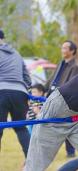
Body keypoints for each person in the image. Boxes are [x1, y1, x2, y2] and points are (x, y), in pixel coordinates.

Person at [46, 40, 78, 158]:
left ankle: (70, 152)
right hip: (51, 96)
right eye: (62, 48)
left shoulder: (75, 67)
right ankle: (49, 150)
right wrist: (42, 89)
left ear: (72, 51)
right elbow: (51, 80)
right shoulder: (60, 64)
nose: (63, 50)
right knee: (50, 125)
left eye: (65, 48)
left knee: (65, 125)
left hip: (63, 99)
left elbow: (72, 84)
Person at [0, 29, 31, 158]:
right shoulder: (17, 54)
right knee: (21, 127)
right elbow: (27, 78)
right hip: (20, 92)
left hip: (1, 91)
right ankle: (33, 162)